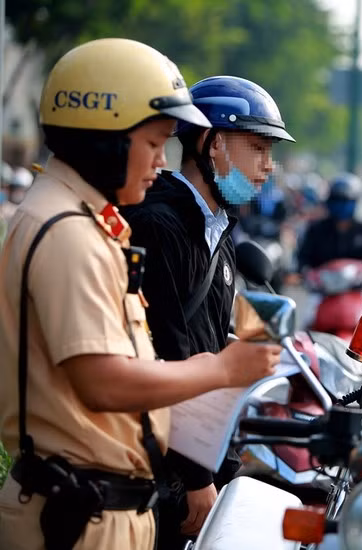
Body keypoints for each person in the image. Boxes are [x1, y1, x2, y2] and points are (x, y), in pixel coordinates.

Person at [0, 38, 282, 550]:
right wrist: (223, 370)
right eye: (152, 143)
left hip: (101, 507)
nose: (159, 163)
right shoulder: (69, 231)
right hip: (77, 514)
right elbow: (104, 382)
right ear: (107, 138)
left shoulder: (85, 222)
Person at [119, 74, 294, 548]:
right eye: (257, 147)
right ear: (213, 143)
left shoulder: (217, 228)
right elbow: (169, 356)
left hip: (198, 461)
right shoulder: (159, 225)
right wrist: (196, 480)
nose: (267, 166)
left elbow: (215, 344)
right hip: (162, 472)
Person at [294, 172, 362, 271]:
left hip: (360, 284)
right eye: (337, 200)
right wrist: (298, 272)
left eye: (346, 201)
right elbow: (303, 258)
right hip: (323, 284)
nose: (341, 206)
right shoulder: (316, 230)